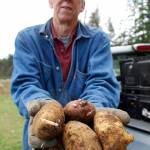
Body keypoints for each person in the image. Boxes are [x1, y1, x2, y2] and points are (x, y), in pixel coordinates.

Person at [11, 0, 120, 149]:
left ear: (82, 5)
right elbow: (25, 83)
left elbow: (102, 83)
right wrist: (43, 108)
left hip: (82, 140)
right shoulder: (27, 39)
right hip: (41, 137)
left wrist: (90, 110)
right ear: (50, 2)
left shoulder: (98, 40)